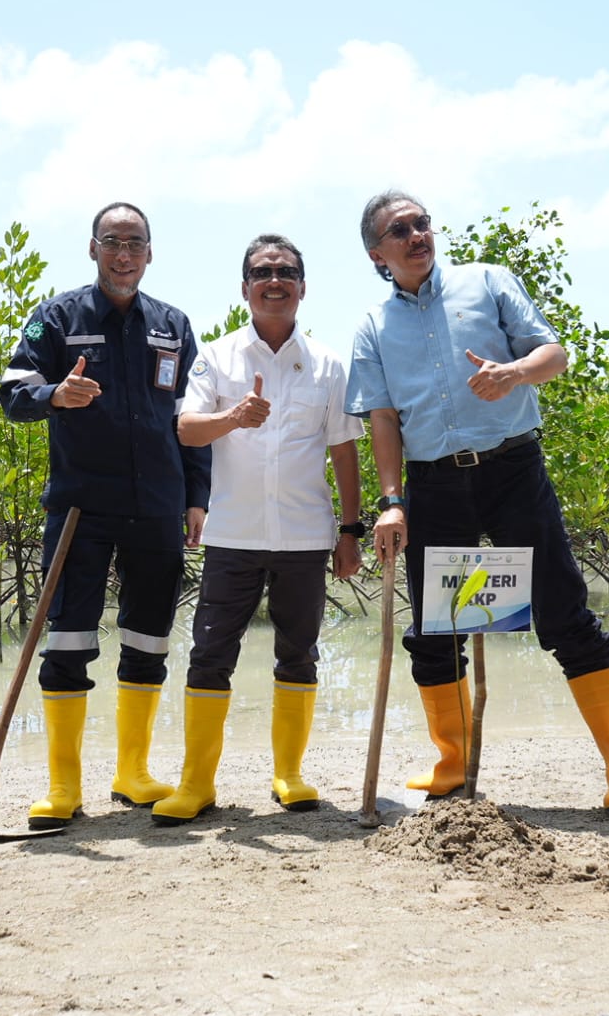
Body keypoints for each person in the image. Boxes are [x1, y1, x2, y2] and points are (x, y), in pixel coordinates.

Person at [344, 189, 609, 816]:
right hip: (434, 485)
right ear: (378, 253)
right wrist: (392, 501)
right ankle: (452, 768)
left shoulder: (489, 280)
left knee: (564, 614)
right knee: (435, 630)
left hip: (513, 468)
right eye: (400, 231)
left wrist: (514, 373)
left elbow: (554, 355)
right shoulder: (374, 326)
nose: (417, 235)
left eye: (422, 224)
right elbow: (382, 419)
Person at [0, 201, 211, 829]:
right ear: (93, 249)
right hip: (80, 509)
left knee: (148, 640)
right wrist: (53, 395)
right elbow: (12, 393)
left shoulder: (173, 325)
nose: (124, 254)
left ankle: (133, 773)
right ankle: (64, 787)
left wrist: (197, 496)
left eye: (135, 243)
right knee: (66, 641)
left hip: (158, 508)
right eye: (112, 242)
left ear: (150, 252)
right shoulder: (57, 316)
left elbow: (190, 422)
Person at [152, 234, 365, 825]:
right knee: (209, 655)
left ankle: (289, 774)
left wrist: (350, 530)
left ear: (303, 287)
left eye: (286, 272)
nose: (275, 281)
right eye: (262, 272)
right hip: (233, 537)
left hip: (304, 536)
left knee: (299, 655)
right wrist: (234, 417)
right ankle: (197, 783)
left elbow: (344, 450)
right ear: (244, 288)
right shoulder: (217, 358)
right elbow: (188, 430)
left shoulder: (327, 364)